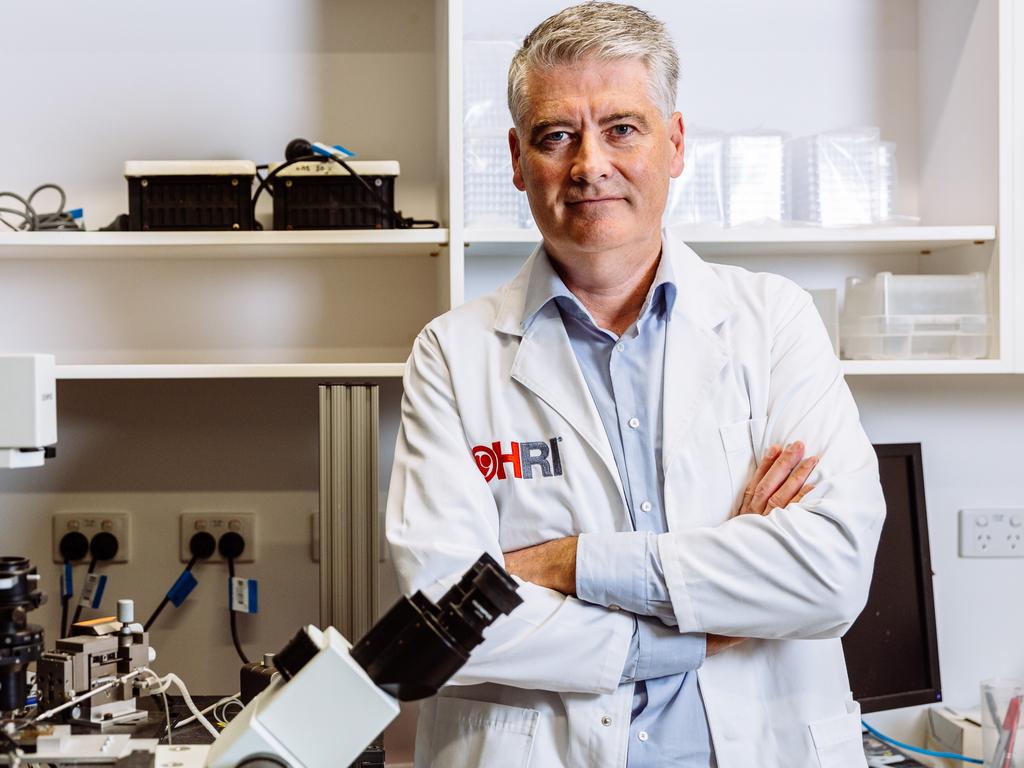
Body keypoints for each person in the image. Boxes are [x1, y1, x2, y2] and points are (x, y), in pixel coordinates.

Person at [386, 4, 885, 767]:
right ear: (518, 161)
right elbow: (448, 615)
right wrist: (707, 618)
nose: (590, 165)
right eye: (558, 136)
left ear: (675, 144)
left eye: (622, 127)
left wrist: (567, 563)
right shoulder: (452, 356)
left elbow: (830, 573)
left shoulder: (773, 321)